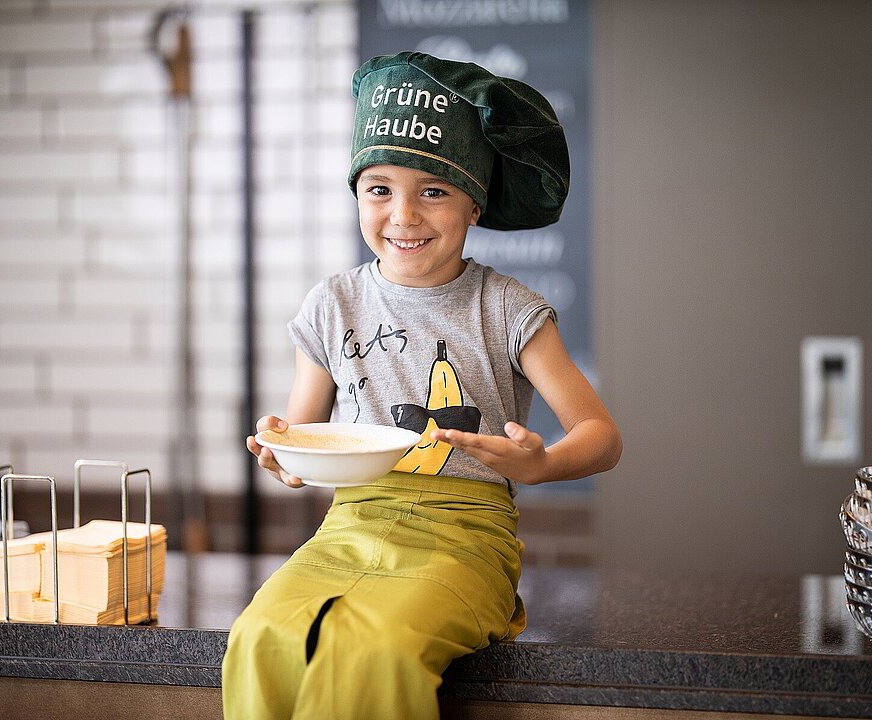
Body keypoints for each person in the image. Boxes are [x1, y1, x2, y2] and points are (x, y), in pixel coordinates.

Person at [222, 51, 622, 720]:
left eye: (433, 190)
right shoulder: (331, 305)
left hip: (467, 536)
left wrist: (544, 462)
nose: (403, 215)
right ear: (356, 195)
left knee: (372, 650)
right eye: (379, 189)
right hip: (350, 523)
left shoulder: (507, 308)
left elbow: (602, 437)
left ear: (473, 204)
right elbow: (298, 441)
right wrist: (279, 454)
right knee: (260, 635)